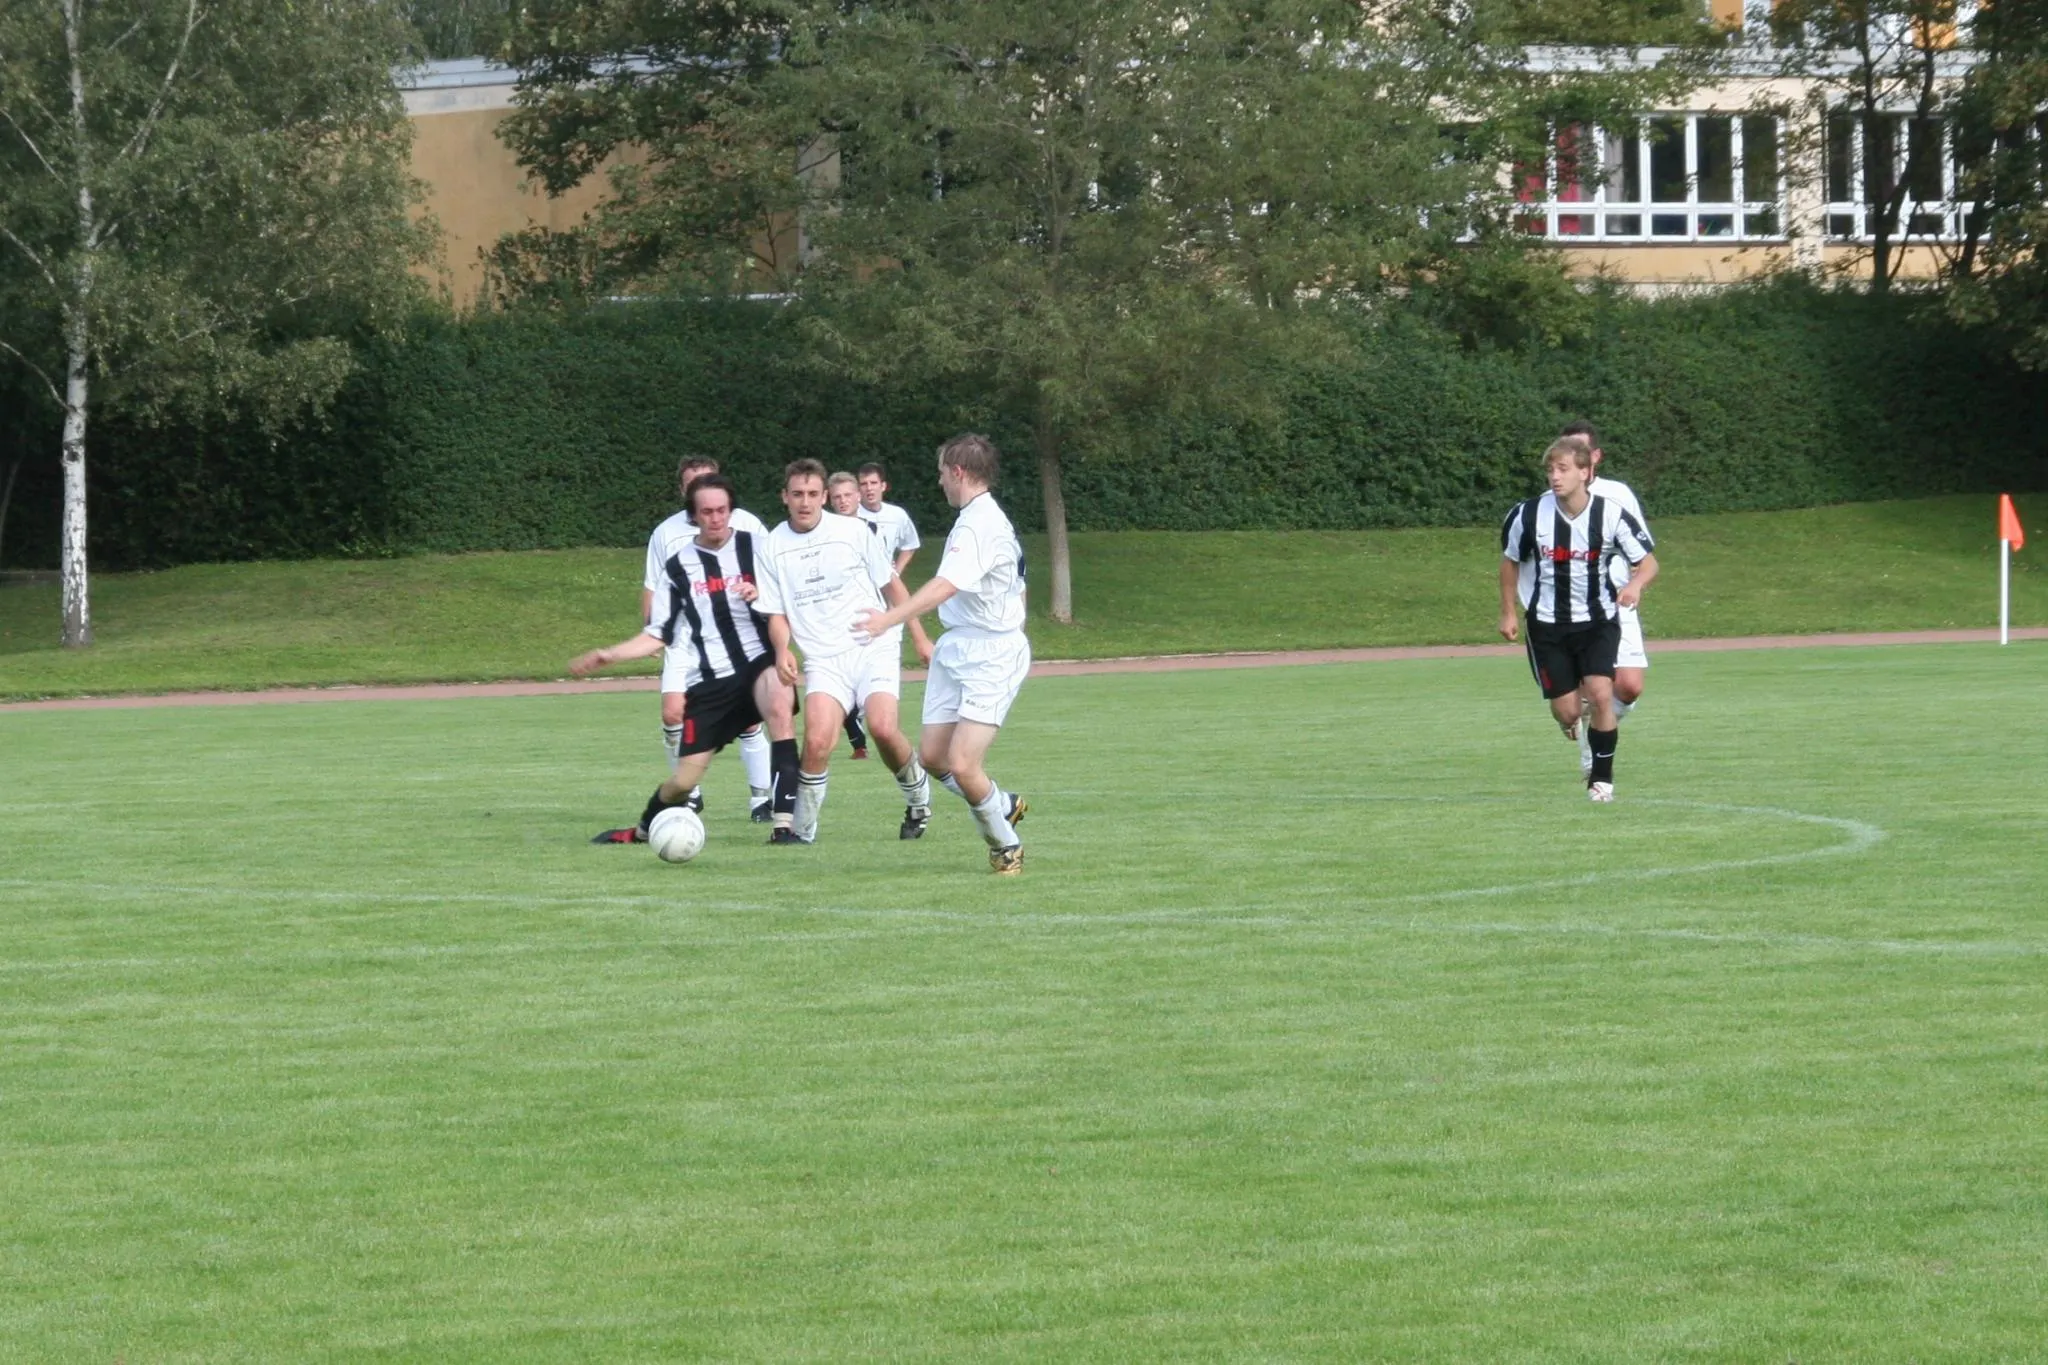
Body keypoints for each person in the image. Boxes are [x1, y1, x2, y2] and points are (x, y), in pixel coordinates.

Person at [575, 474, 801, 840]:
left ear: (731, 510)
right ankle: (643, 830)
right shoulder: (679, 567)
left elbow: (790, 600)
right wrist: (610, 654)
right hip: (710, 681)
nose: (716, 518)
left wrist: (761, 596)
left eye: (722, 510)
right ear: (693, 515)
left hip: (759, 662)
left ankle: (784, 826)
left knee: (779, 707)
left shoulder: (758, 548)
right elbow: (657, 633)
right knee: (684, 780)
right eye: (707, 512)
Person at [854, 434, 1031, 874]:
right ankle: (1001, 803)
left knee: (964, 764)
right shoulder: (976, 518)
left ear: (957, 472)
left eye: (941, 474)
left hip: (991, 653)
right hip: (958, 646)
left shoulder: (979, 524)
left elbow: (944, 586)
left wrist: (888, 619)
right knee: (933, 757)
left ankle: (1005, 846)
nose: (939, 483)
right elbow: (1017, 586)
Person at [755, 459, 935, 845]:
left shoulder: (852, 531)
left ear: (824, 496)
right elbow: (775, 612)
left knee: (882, 728)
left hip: (873, 644)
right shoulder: (771, 546)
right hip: (823, 658)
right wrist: (782, 649)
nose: (805, 502)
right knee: (817, 741)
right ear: (784, 497)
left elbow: (892, 586)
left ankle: (918, 798)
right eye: (797, 494)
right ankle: (802, 832)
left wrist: (919, 638)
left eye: (813, 494)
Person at [1498, 435, 1658, 802]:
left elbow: (1648, 562)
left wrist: (1635, 585)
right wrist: (1507, 612)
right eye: (1550, 470)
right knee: (1568, 711)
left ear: (1585, 472)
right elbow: (1509, 563)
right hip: (1547, 626)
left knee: (1601, 694)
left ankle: (1601, 780)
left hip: (1598, 621)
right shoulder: (1527, 514)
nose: (1555, 477)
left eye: (1563, 469)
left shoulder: (1610, 513)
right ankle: (1569, 721)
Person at [639, 456, 780, 822]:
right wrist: (652, 629)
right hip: (684, 639)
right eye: (692, 483)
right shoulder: (665, 533)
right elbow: (653, 584)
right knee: (673, 712)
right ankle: (688, 792)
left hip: (737, 639)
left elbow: (773, 575)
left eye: (708, 480)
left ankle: (761, 799)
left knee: (749, 720)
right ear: (684, 492)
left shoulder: (747, 526)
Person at [1560, 420, 1653, 776]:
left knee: (1629, 687)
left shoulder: (1618, 494)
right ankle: (1595, 758)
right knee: (1593, 690)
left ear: (1595, 456)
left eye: (1581, 450)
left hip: (1616, 602)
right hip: (1575, 608)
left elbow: (1641, 550)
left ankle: (1591, 734)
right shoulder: (1551, 502)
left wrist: (1636, 583)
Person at [827, 471, 873, 760]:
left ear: (858, 496)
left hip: (872, 616)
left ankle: (865, 723)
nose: (843, 501)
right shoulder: (825, 535)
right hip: (838, 617)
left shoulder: (873, 529)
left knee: (866, 680)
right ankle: (858, 743)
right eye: (837, 497)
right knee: (841, 679)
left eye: (847, 495)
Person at [856, 462, 921, 576]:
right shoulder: (852, 516)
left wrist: (896, 572)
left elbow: (911, 544)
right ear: (858, 489)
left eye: (873, 483)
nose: (869, 488)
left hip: (888, 581)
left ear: (883, 486)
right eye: (864, 484)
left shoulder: (897, 514)